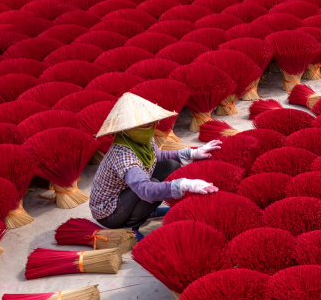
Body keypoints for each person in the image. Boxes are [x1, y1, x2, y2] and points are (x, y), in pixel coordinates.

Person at [90, 93, 222, 238]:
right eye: (142, 126)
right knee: (152, 185)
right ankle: (130, 227)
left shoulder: (142, 141)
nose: (148, 128)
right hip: (110, 212)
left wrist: (192, 153)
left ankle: (147, 211)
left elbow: (157, 155)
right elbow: (145, 189)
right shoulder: (123, 155)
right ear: (126, 130)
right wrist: (183, 184)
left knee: (171, 165)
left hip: (127, 191)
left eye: (149, 123)